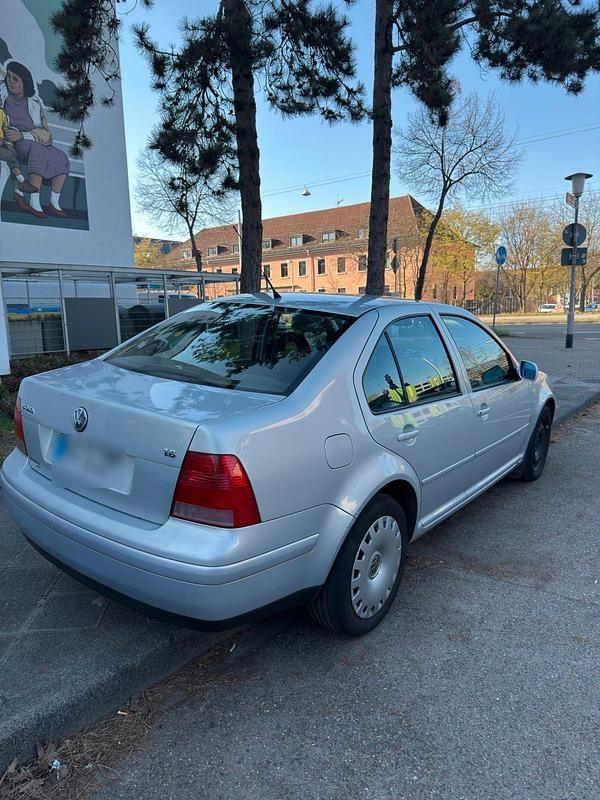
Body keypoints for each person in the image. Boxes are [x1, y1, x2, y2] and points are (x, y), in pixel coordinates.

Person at [0, 61, 70, 219]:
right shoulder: (2, 94)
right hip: (11, 143)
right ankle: (34, 202)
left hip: (27, 140)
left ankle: (54, 203)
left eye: (15, 79)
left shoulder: (34, 105)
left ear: (25, 83)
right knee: (38, 150)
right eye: (9, 77)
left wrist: (23, 135)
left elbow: (46, 134)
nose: (10, 81)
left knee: (60, 156)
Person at [0, 105, 38, 193]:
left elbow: (4, 129)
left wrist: (9, 143)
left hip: (4, 143)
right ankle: (20, 183)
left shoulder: (2, 113)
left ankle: (19, 189)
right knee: (11, 158)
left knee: (11, 156)